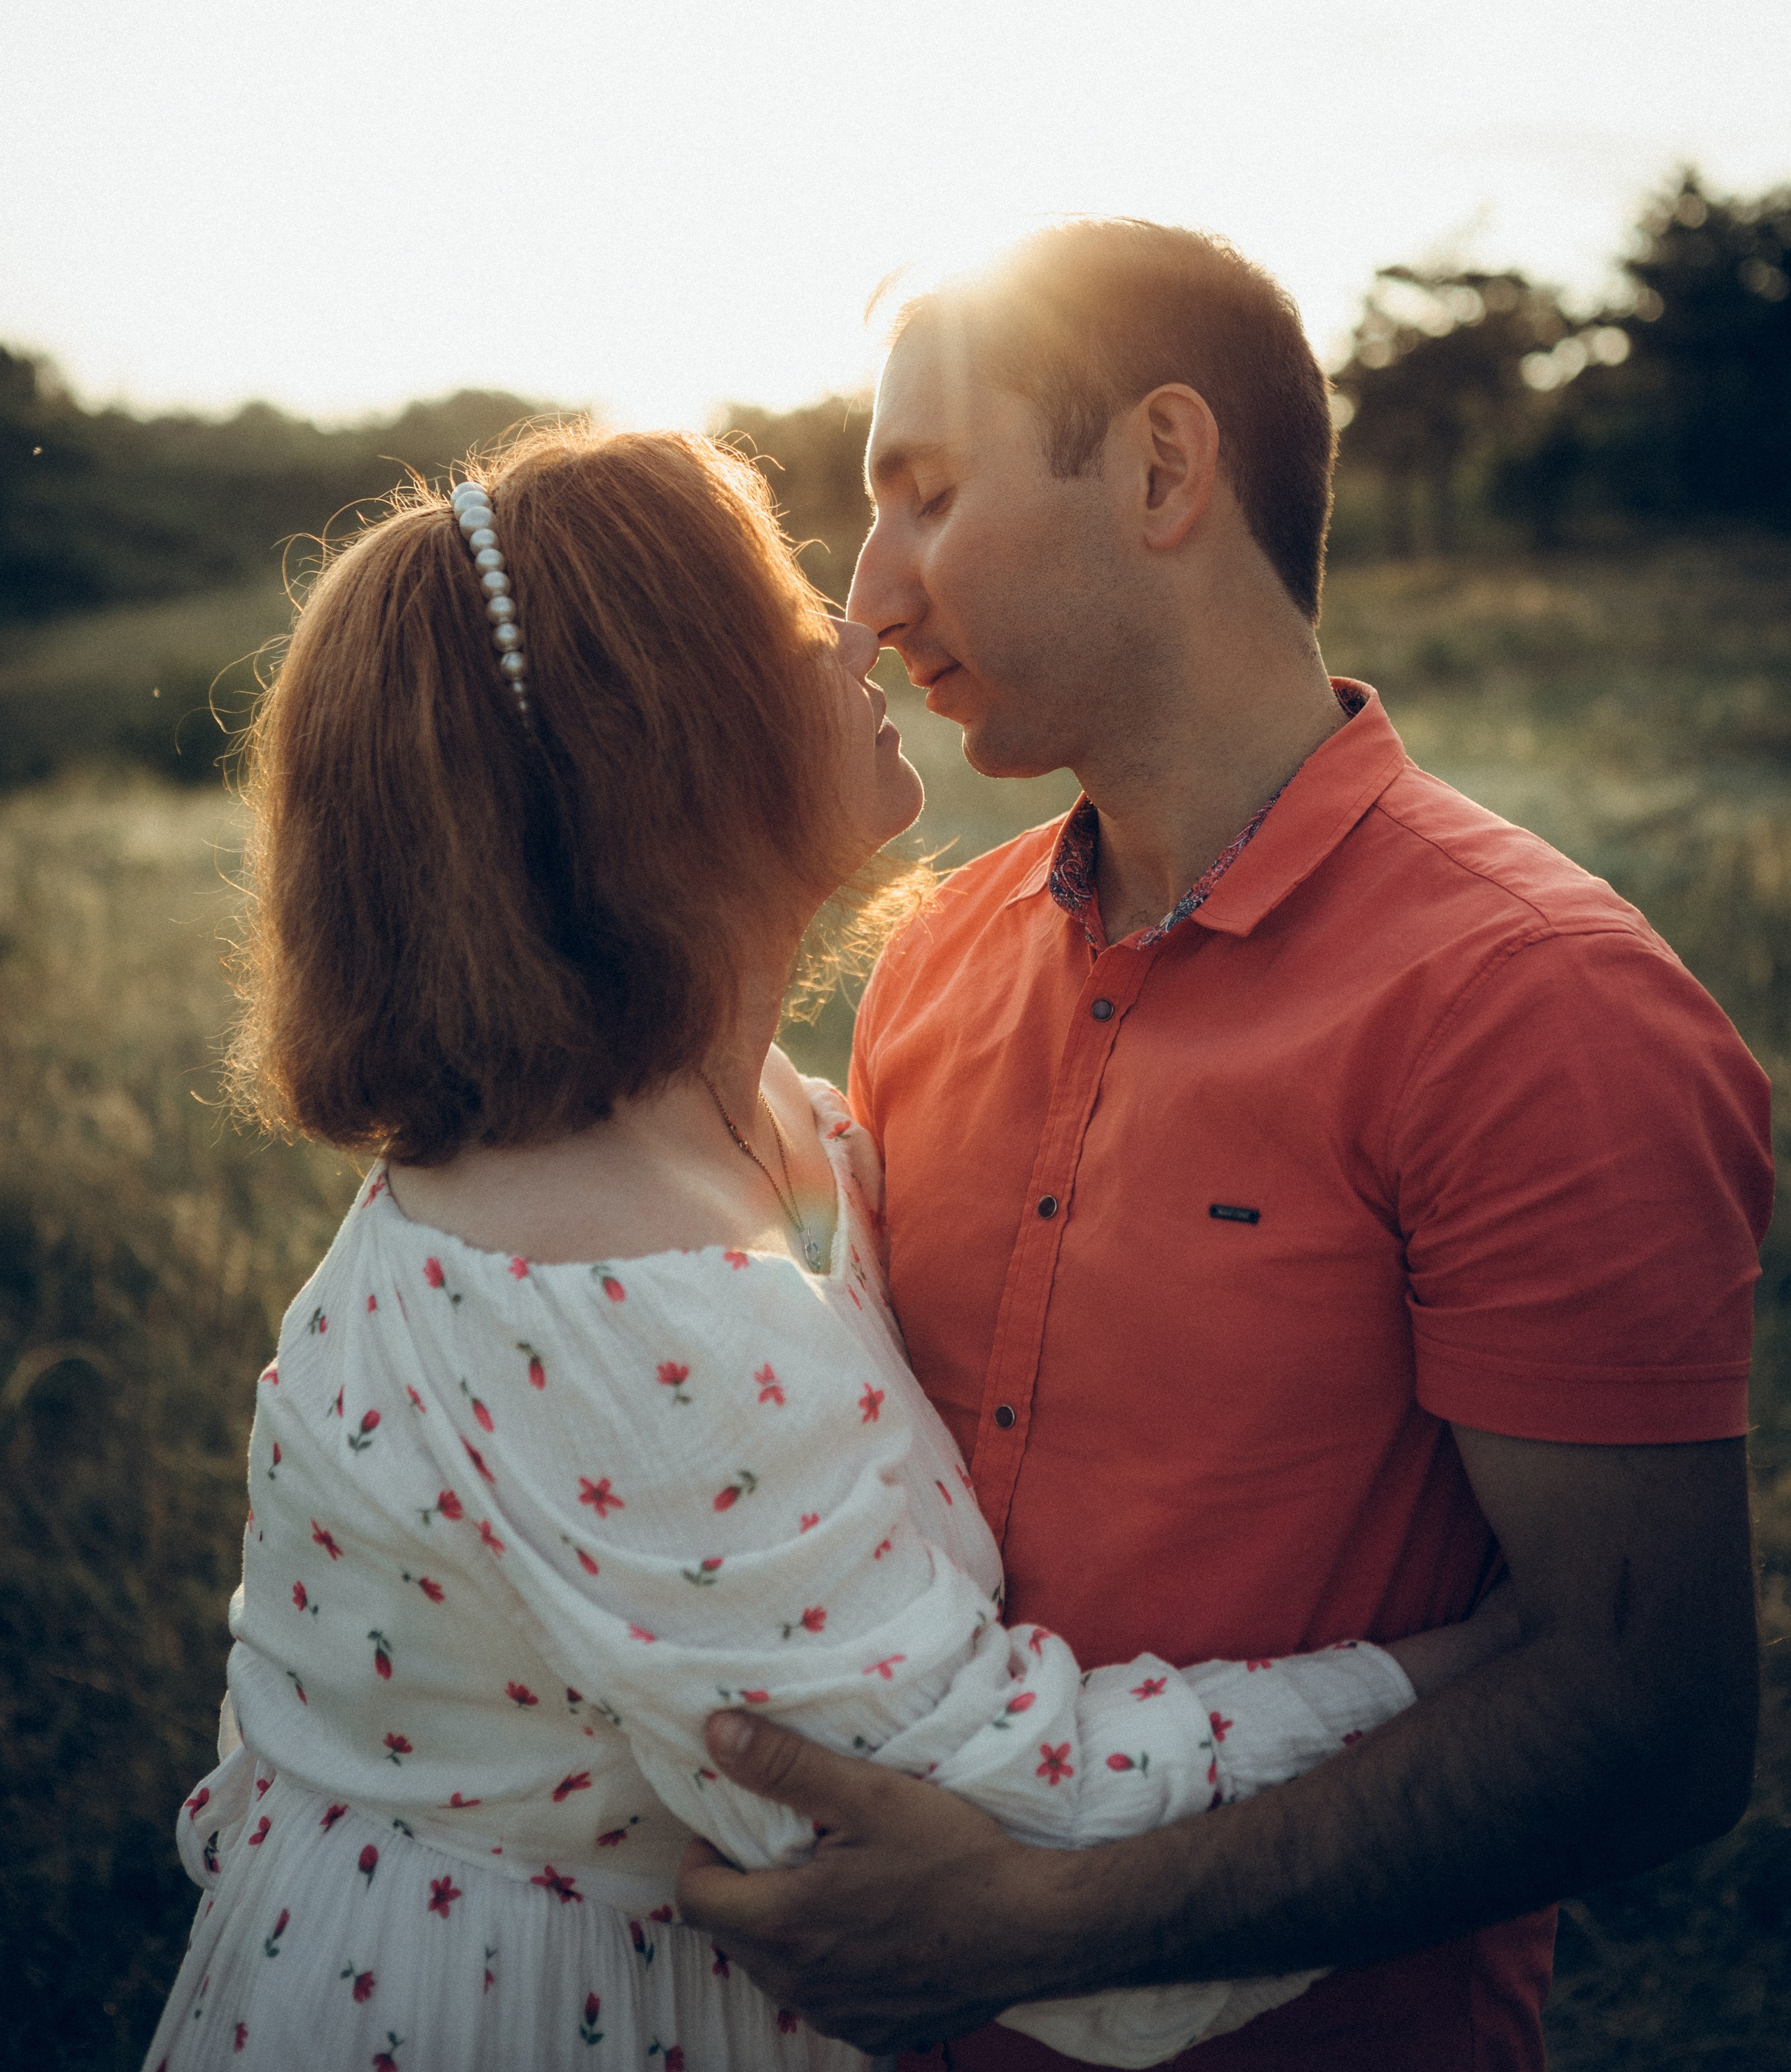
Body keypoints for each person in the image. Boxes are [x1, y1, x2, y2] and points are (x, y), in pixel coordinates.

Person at [144, 423, 1506, 2072]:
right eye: (779, 601)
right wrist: (1488, 1672)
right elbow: (991, 1815)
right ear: (664, 752)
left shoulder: (730, 1123)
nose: (849, 623)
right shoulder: (612, 1295)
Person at [672, 220, 1774, 2072]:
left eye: (926, 495)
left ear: (1166, 468)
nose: (863, 593)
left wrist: (1041, 1931)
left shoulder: (1539, 1009)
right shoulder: (928, 958)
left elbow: (1653, 1724)